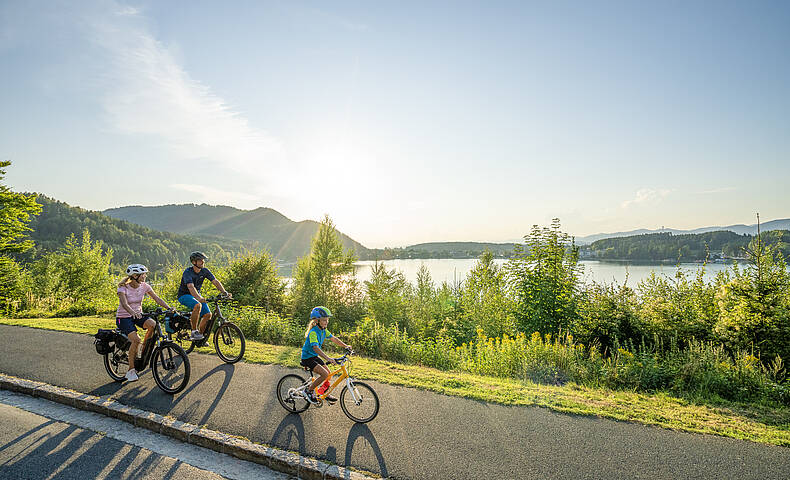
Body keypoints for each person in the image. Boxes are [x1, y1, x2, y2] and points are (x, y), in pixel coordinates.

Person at [116, 264, 173, 382]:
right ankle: (131, 370)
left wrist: (169, 308)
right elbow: (125, 304)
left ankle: (144, 348)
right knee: (136, 340)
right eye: (143, 274)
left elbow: (157, 299)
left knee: (153, 325)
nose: (145, 276)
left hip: (138, 315)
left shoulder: (144, 286)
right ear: (135, 276)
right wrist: (132, 312)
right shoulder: (123, 288)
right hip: (124, 317)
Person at [176, 251, 232, 341]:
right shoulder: (188, 272)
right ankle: (194, 332)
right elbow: (190, 287)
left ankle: (200, 338)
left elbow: (215, 282)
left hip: (196, 295)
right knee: (197, 305)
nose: (203, 262)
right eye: (200, 260)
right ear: (194, 262)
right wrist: (199, 298)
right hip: (184, 295)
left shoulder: (204, 271)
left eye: (203, 260)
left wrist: (224, 292)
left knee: (208, 315)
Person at [300, 306, 351, 404]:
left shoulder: (323, 330)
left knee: (328, 374)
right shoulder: (313, 332)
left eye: (327, 320)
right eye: (324, 320)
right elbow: (315, 348)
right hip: (307, 358)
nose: (326, 322)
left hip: (314, 356)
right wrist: (328, 358)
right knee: (324, 374)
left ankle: (323, 392)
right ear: (317, 321)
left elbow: (334, 339)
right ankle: (309, 390)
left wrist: (346, 346)